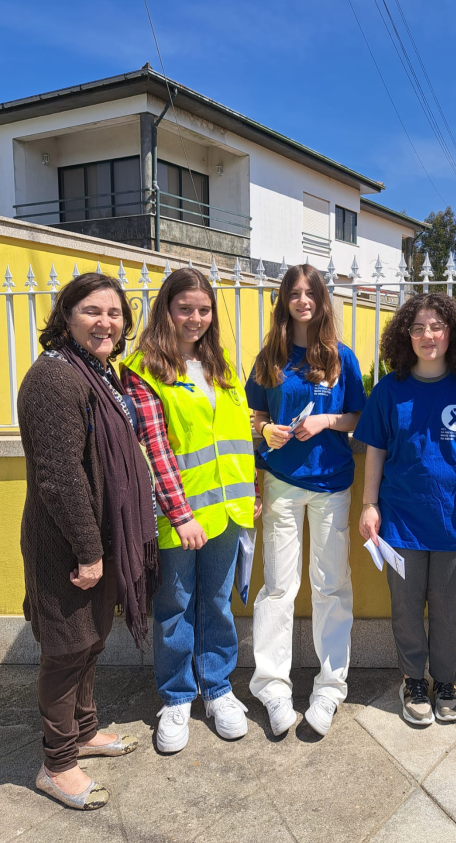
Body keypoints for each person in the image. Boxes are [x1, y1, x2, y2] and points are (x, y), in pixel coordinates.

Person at [18, 272, 158, 810]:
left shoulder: (99, 373)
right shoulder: (55, 379)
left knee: (91, 639)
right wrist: (89, 551)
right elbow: (60, 477)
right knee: (65, 648)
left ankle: (84, 730)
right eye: (92, 311)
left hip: (100, 539)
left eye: (115, 313)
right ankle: (56, 764)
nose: (106, 322)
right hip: (69, 546)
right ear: (67, 315)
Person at [122, 268, 260, 751]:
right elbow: (153, 447)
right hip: (177, 515)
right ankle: (177, 696)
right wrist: (180, 514)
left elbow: (234, 434)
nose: (195, 318)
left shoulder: (218, 364)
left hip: (228, 510)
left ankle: (218, 688)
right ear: (166, 309)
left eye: (203, 309)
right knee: (175, 605)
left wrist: (252, 488)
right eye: (185, 308)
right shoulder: (144, 368)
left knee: (217, 602)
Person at [355, 293, 456, 726]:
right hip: (399, 522)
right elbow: (376, 453)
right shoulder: (388, 390)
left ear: (451, 332)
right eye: (417, 328)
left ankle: (446, 682)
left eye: (436, 326)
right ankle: (413, 680)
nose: (427, 335)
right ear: (406, 336)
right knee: (404, 606)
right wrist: (369, 505)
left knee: (448, 606)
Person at [245, 263, 366, 737]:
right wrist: (265, 429)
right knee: (279, 586)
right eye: (294, 293)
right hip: (280, 483)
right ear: (284, 301)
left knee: (331, 584)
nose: (302, 300)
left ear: (321, 300)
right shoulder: (269, 356)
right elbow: (252, 415)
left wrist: (325, 422)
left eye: (310, 292)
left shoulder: (342, 358)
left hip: (333, 484)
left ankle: (330, 687)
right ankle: (272, 687)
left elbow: (357, 416)